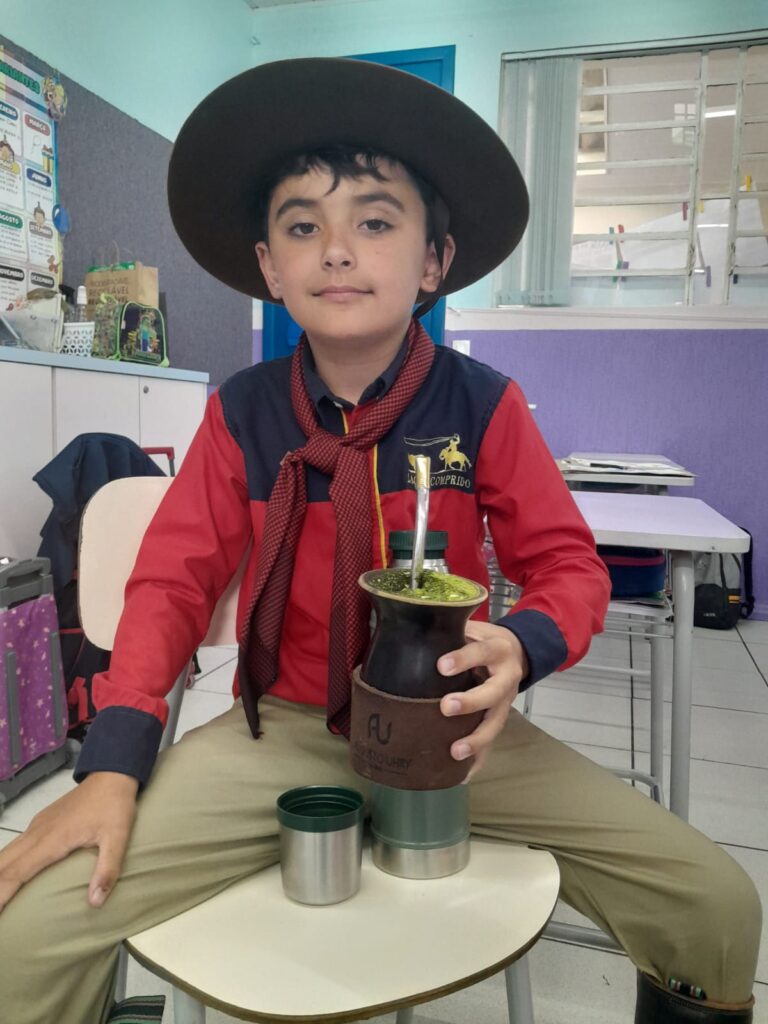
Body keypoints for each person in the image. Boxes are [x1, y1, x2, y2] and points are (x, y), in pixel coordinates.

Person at [0, 58, 760, 1024]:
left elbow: (567, 565)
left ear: (433, 261)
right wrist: (113, 761)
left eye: (374, 222)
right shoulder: (240, 414)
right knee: (31, 926)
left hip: (456, 736)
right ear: (270, 267)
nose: (335, 251)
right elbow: (171, 584)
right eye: (302, 227)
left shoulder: (484, 407)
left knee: (715, 906)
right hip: (281, 736)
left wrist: (521, 645)